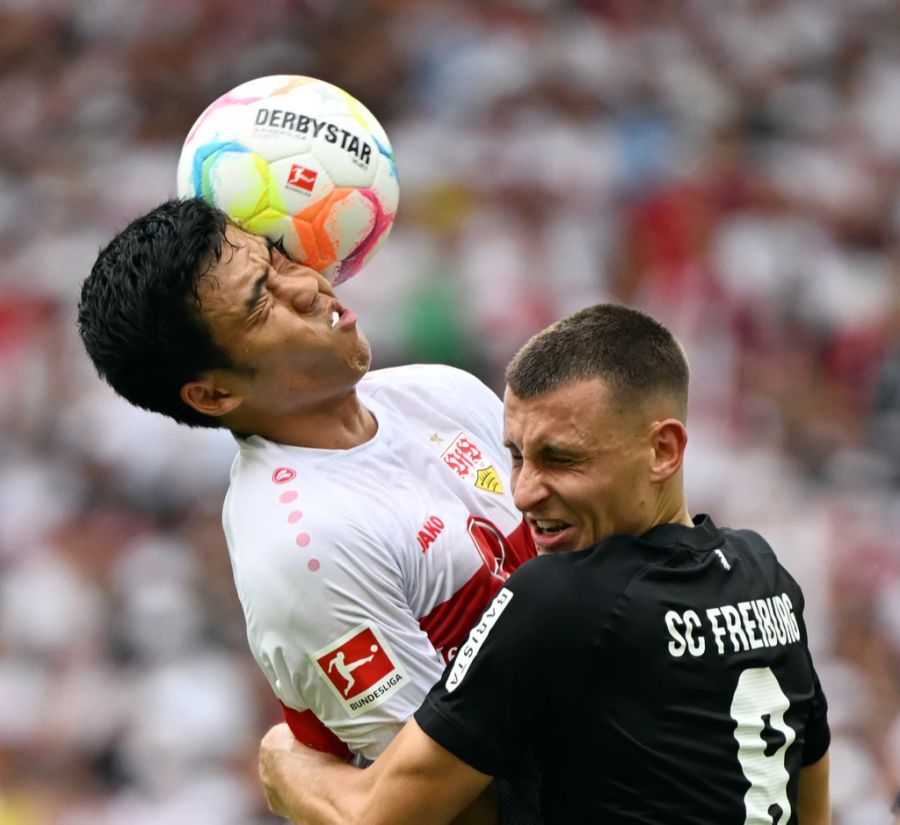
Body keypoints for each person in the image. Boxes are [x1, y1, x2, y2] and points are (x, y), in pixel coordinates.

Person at [258, 303, 832, 825]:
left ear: (663, 450)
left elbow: (379, 818)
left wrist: (285, 768)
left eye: (561, 459)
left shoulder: (560, 599)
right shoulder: (766, 574)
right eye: (516, 455)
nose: (525, 493)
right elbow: (812, 802)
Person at [76, 198, 536, 795]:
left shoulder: (439, 391)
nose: (308, 285)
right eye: (261, 300)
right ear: (213, 395)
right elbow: (444, 795)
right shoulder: (305, 545)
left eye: (278, 258)